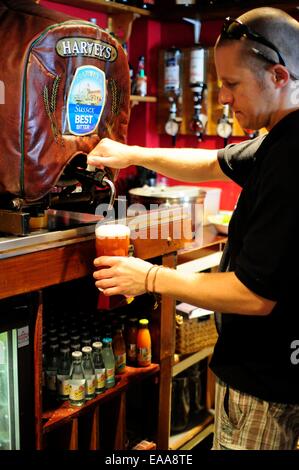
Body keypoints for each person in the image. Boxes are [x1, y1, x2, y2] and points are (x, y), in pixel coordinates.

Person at [87, 7, 299, 450]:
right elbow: (210, 163)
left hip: (264, 379)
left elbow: (253, 296)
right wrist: (132, 153)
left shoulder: (289, 159)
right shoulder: (277, 138)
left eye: (232, 84)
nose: (223, 97)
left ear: (279, 75)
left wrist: (148, 277)